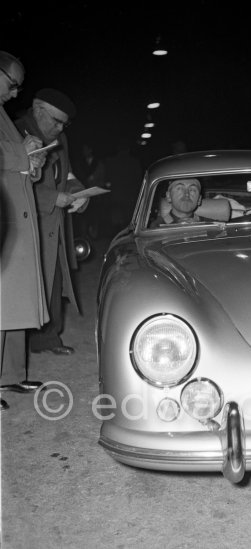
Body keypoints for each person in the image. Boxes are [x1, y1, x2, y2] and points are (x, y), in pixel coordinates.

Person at [15, 88, 89, 356]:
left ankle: (47, 338)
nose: (59, 128)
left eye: (64, 123)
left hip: (54, 225)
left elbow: (67, 174)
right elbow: (9, 183)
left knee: (53, 280)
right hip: (26, 223)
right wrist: (51, 198)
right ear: (37, 109)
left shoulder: (61, 139)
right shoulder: (15, 132)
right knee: (26, 285)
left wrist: (79, 192)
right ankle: (19, 346)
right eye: (55, 121)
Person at [0, 51, 49, 408]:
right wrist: (22, 152)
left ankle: (11, 375)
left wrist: (33, 159)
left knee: (15, 299)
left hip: (18, 213)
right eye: (12, 83)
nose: (16, 93)